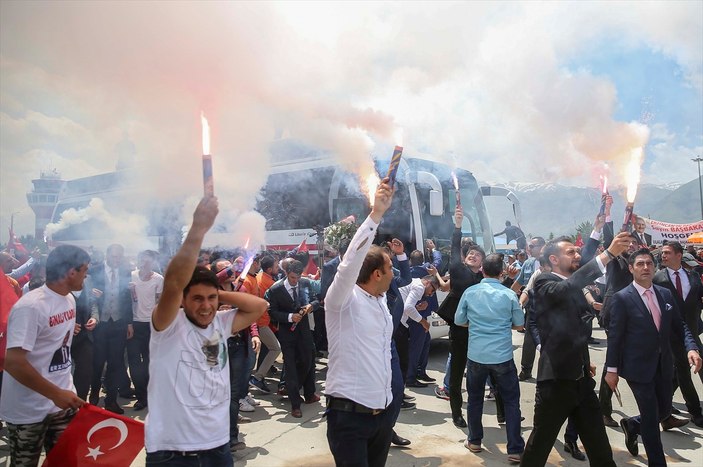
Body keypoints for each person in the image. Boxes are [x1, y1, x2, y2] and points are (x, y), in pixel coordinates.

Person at [144, 197, 266, 466]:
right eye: (197, 299)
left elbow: (259, 306)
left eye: (211, 299)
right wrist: (198, 228)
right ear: (182, 300)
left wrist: (217, 292)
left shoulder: (220, 324)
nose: (205, 306)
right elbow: (175, 282)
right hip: (172, 452)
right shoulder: (166, 325)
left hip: (217, 447)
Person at [520, 233, 632, 466]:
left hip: (581, 382)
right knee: (539, 446)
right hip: (556, 382)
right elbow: (569, 286)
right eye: (571, 252)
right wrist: (608, 253)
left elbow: (575, 328)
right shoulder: (544, 281)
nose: (577, 255)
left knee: (600, 447)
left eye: (577, 251)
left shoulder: (573, 284)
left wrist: (584, 359)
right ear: (553, 259)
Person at [324, 177, 397, 466]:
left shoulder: (380, 302)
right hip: (350, 418)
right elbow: (348, 266)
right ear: (377, 274)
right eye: (389, 267)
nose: (393, 273)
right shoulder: (342, 301)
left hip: (383, 416)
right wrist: (375, 215)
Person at [606, 248, 702, 465]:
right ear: (631, 269)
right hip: (637, 369)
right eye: (640, 264)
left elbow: (680, 325)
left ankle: (632, 425)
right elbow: (615, 337)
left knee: (664, 409)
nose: (645, 268)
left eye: (649, 263)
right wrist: (612, 370)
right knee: (651, 418)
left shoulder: (665, 294)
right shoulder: (622, 298)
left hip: (664, 365)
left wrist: (691, 348)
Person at [0, 245, 90, 466]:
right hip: (28, 411)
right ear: (71, 272)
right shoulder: (30, 307)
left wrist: (64, 392)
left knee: (66, 461)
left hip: (62, 405)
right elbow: (14, 362)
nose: (86, 276)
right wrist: (55, 393)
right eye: (84, 271)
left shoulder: (68, 299)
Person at [454, 253, 525, 464]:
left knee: (475, 399)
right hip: (502, 356)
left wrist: (476, 325)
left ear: (482, 270)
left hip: (476, 356)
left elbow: (459, 320)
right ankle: (514, 449)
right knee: (511, 402)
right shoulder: (509, 295)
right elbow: (519, 324)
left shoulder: (470, 292)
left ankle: (474, 440)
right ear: (502, 272)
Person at [435, 205, 486, 429]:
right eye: (471, 254)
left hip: (480, 332)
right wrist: (458, 226)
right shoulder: (458, 269)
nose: (473, 255)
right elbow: (455, 248)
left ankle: (503, 412)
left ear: (482, 264)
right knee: (456, 373)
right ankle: (457, 413)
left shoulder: (484, 279)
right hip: (459, 329)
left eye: (478, 255)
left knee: (488, 372)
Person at [653, 241, 703, 424]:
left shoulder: (693, 276)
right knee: (683, 372)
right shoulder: (659, 278)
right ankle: (695, 411)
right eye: (662, 253)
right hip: (672, 334)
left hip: (692, 330)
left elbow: (698, 299)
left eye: (667, 253)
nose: (663, 256)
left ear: (679, 255)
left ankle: (664, 403)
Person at [266, 259, 320, 418]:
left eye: (297, 277)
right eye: (292, 278)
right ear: (286, 274)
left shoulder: (305, 283)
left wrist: (311, 306)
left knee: (308, 361)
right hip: (287, 334)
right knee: (290, 366)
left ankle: (307, 393)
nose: (295, 281)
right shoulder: (276, 289)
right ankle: (295, 403)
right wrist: (290, 317)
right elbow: (272, 312)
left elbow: (317, 300)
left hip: (304, 331)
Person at [88, 243, 134, 414]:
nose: (116, 260)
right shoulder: (94, 270)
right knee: (97, 362)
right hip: (100, 323)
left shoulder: (125, 272)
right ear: (107, 255)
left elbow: (127, 299)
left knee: (116, 363)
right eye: (114, 256)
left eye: (119, 257)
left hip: (119, 322)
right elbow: (84, 293)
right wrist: (91, 294)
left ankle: (111, 400)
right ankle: (93, 395)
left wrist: (129, 323)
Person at [127, 250, 163, 411]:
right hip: (133, 324)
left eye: (148, 260)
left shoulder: (158, 279)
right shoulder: (131, 275)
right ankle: (141, 396)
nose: (145, 263)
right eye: (142, 259)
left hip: (151, 324)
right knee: (134, 363)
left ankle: (151, 394)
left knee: (150, 362)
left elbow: (160, 302)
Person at [70, 275, 99, 401]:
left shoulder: (87, 280)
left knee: (85, 371)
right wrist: (68, 324)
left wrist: (94, 318)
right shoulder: (61, 283)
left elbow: (92, 302)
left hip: (85, 336)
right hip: (64, 338)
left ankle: (80, 403)